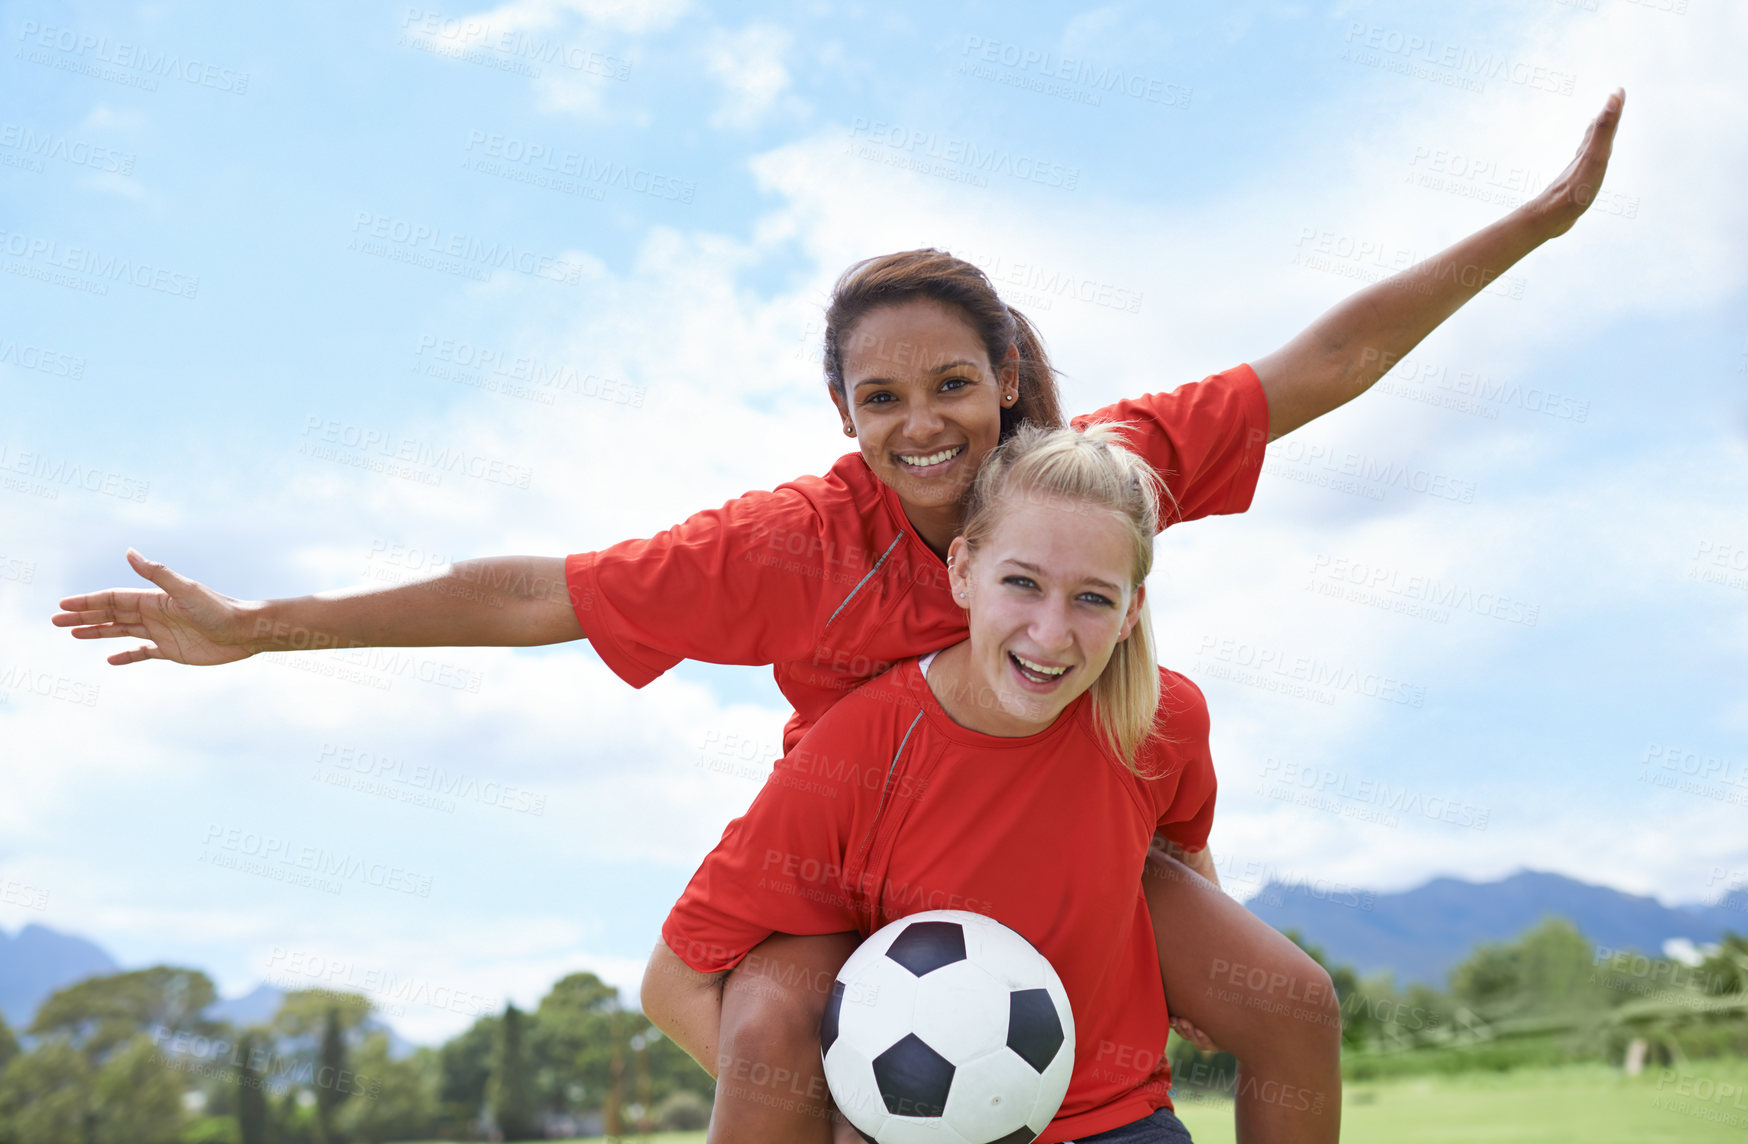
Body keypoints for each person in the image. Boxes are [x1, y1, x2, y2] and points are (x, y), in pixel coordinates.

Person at [53, 92, 1625, 1144]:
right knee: (768, 1038)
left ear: (1006, 377)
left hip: (1061, 810)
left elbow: (1324, 368)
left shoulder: (1098, 473)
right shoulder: (789, 547)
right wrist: (265, 628)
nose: (924, 421)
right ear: (844, 411)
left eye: (953, 383)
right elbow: (533, 593)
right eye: (884, 398)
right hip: (866, 839)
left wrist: (1532, 227)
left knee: (1287, 1003)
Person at [645, 422, 1241, 1144]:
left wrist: (1214, 985)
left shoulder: (1161, 719)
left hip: (1121, 1122)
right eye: (1022, 583)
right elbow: (673, 984)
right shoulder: (864, 747)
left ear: (1130, 614)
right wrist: (846, 1117)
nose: (1051, 635)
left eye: (1092, 598)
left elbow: (1181, 849)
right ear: (962, 572)